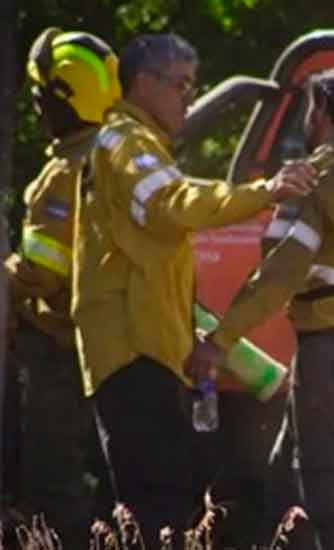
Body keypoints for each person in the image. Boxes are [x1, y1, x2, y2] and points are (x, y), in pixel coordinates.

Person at [71, 33, 314, 550]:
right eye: (180, 84)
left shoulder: (138, 144)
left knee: (160, 494)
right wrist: (263, 191)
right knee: (158, 502)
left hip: (149, 348)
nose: (187, 96)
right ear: (142, 83)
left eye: (192, 85)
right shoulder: (123, 143)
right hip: (132, 351)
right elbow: (172, 203)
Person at [184, 65, 334, 550]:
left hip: (333, 351)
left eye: (312, 106)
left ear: (324, 110)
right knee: (288, 483)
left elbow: (281, 273)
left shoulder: (320, 179)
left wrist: (220, 340)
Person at [3, 28, 121, 548]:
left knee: (55, 475)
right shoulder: (123, 160)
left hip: (60, 346)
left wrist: (7, 276)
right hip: (118, 339)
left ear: (58, 101)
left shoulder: (60, 177)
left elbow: (44, 274)